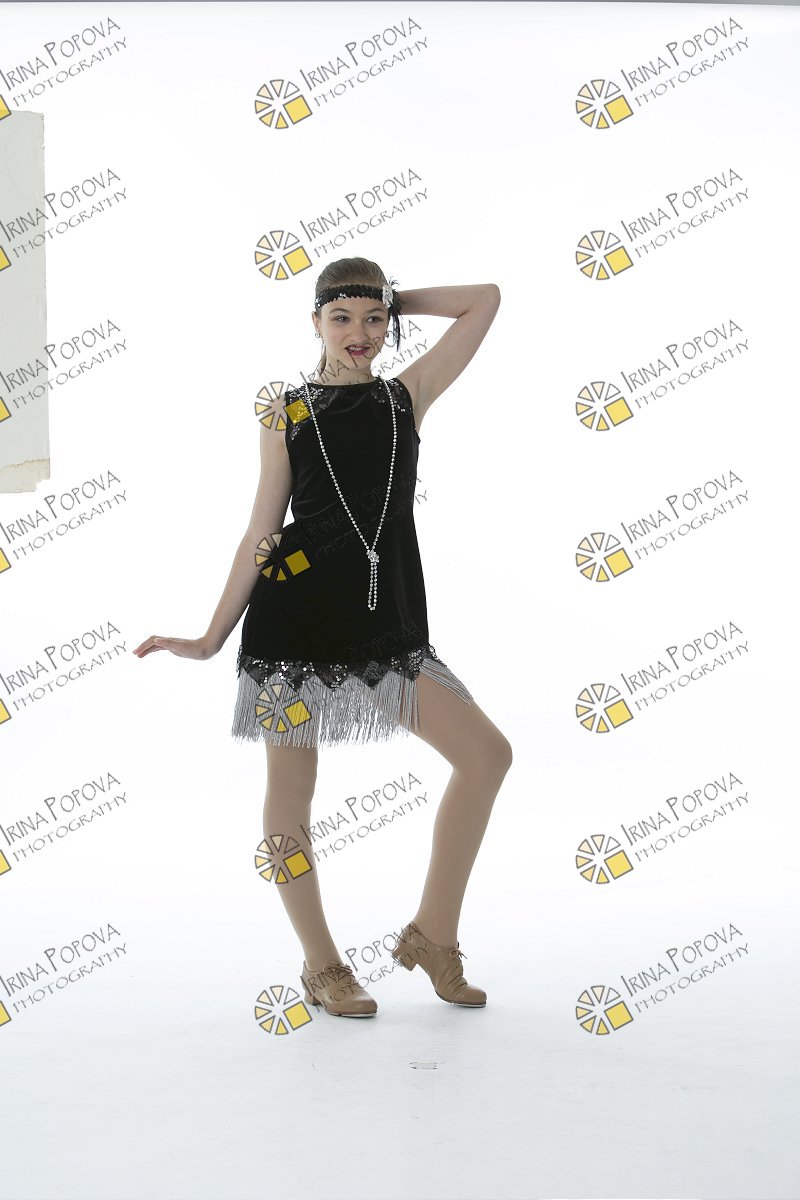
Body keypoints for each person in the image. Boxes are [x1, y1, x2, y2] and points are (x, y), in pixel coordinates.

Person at [133, 257, 513, 1018]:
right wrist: (211, 638)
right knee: (290, 792)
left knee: (486, 756)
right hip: (293, 622)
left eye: (374, 320)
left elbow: (484, 299)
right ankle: (322, 965)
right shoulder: (286, 413)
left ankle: (433, 935)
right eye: (340, 318)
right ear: (315, 323)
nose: (359, 333)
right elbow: (261, 530)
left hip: (385, 628)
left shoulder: (407, 396)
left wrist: (393, 297)